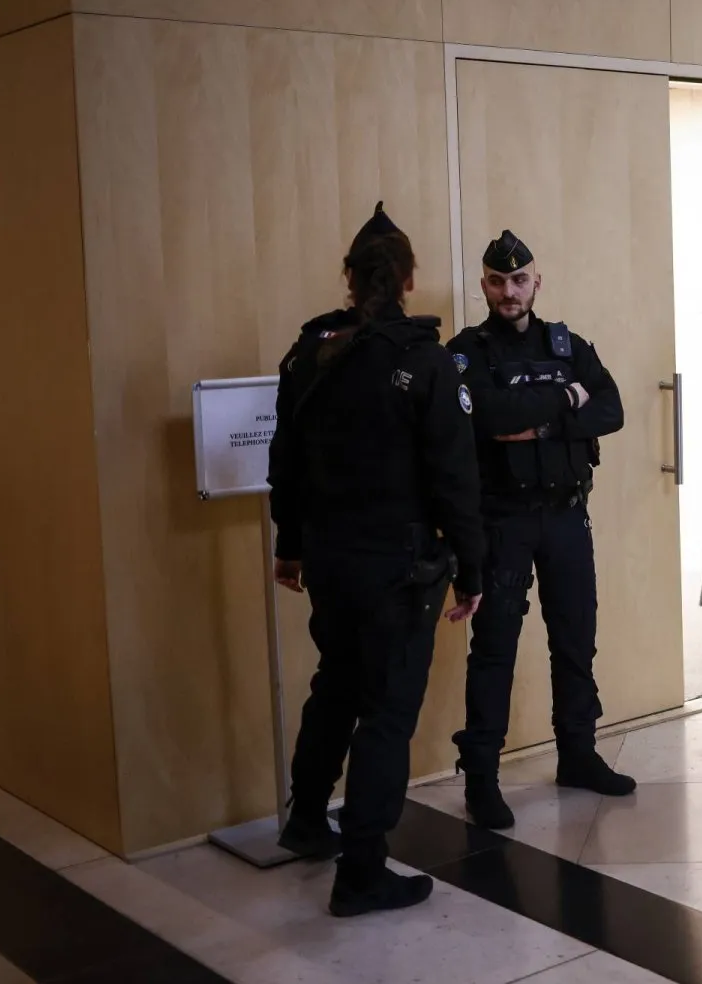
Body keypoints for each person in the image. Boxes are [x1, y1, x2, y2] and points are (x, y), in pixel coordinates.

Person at [267, 202, 486, 917]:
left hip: (329, 560)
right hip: (399, 569)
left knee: (335, 685)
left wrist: (289, 545)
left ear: (350, 276)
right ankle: (361, 872)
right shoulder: (422, 361)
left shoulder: (311, 353)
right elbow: (455, 479)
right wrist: (473, 570)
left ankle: (306, 821)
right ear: (409, 279)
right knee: (387, 713)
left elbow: (285, 460)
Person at [446, 230, 635, 830]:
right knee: (495, 649)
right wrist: (567, 399)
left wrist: (546, 425)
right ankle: (481, 780)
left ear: (536, 282)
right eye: (498, 281)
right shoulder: (466, 353)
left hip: (566, 515)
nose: (509, 291)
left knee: (575, 639)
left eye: (519, 280)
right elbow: (492, 418)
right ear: (484, 286)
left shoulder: (567, 345)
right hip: (503, 520)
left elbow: (612, 409)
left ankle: (578, 754)